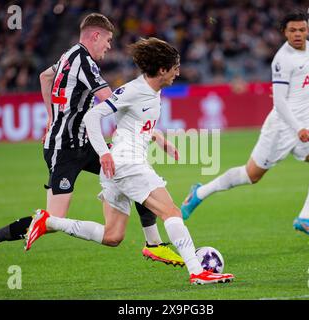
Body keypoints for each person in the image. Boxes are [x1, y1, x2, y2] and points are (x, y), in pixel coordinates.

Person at [0, 13, 183, 276]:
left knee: (130, 168)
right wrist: (153, 131)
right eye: (108, 40)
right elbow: (112, 102)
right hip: (63, 149)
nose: (109, 46)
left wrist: (51, 119)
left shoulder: (68, 56)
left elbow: (45, 77)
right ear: (95, 36)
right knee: (53, 220)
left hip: (83, 143)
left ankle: (154, 242)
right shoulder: (86, 63)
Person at [24, 37, 235, 285]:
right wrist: (103, 152)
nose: (178, 72)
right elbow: (93, 116)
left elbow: (132, 122)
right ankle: (196, 271)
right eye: (175, 68)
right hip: (127, 164)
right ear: (163, 69)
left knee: (112, 236)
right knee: (172, 211)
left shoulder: (150, 91)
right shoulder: (136, 90)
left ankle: (50, 221)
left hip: (119, 166)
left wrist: (159, 138)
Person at [181, 11, 309, 241]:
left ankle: (305, 218)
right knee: (250, 175)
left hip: (303, 127)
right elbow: (279, 102)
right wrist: (298, 128)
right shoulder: (282, 60)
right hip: (283, 128)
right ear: (284, 32)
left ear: (307, 30)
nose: (297, 34)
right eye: (292, 30)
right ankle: (199, 193)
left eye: (302, 30)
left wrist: (302, 126)